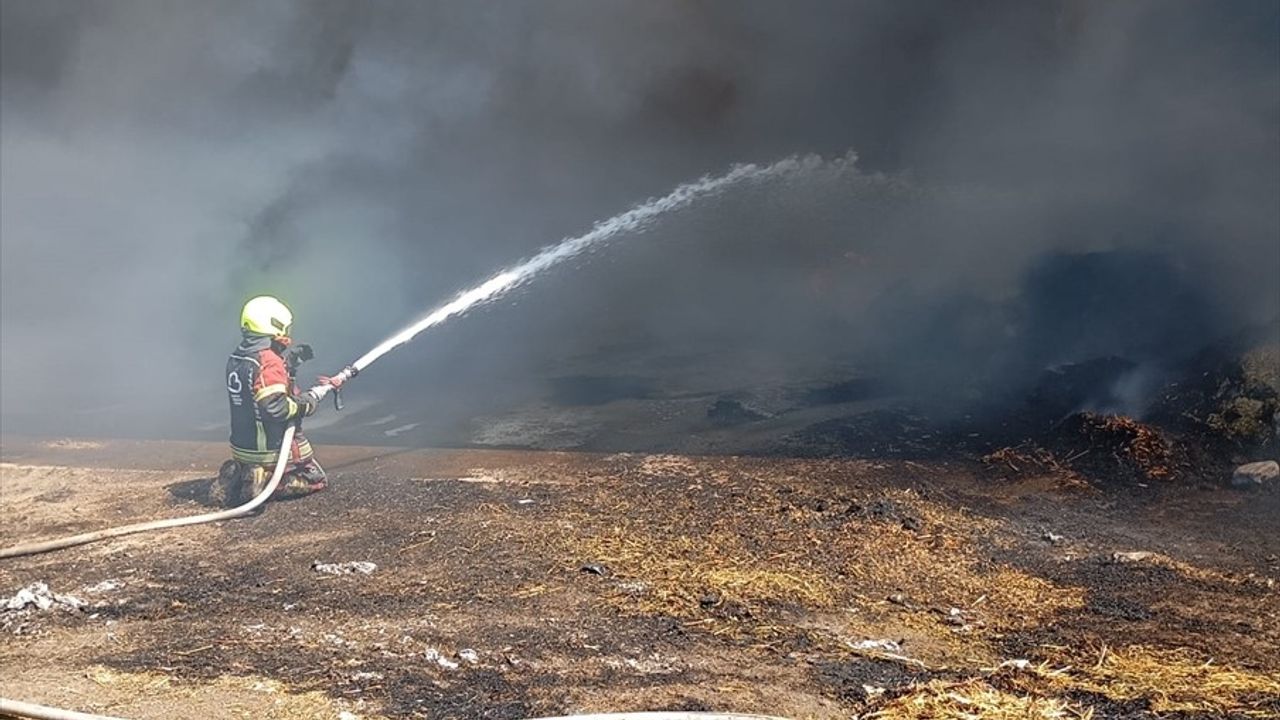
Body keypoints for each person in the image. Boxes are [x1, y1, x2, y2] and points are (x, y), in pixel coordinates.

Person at [213, 296, 343, 507]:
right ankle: (267, 483)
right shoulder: (269, 361)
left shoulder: (238, 357)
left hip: (242, 447)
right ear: (275, 325)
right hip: (270, 449)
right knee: (316, 479)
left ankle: (238, 475)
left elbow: (259, 389)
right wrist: (306, 404)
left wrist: (289, 365)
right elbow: (275, 407)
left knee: (251, 466)